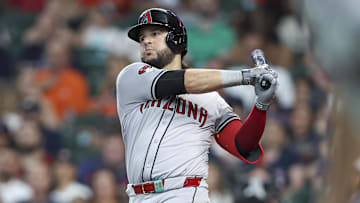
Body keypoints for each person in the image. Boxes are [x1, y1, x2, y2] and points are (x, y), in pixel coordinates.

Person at [116, 8, 278, 202]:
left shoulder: (211, 99)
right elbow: (182, 81)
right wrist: (246, 76)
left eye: (155, 33)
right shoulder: (132, 76)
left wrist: (261, 104)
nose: (146, 41)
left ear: (176, 39)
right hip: (139, 196)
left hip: (185, 193)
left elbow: (242, 146)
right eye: (142, 37)